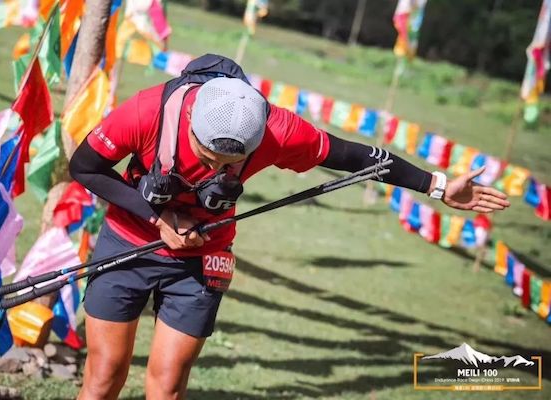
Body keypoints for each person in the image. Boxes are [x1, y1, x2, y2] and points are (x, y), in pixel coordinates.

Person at [69, 55, 509, 400]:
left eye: (230, 164)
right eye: (207, 158)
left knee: (166, 387)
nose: (216, 170)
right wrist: (157, 217)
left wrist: (438, 186)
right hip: (128, 242)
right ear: (189, 123)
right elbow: (85, 167)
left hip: (202, 259)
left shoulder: (278, 130)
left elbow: (357, 158)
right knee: (104, 379)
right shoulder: (147, 111)